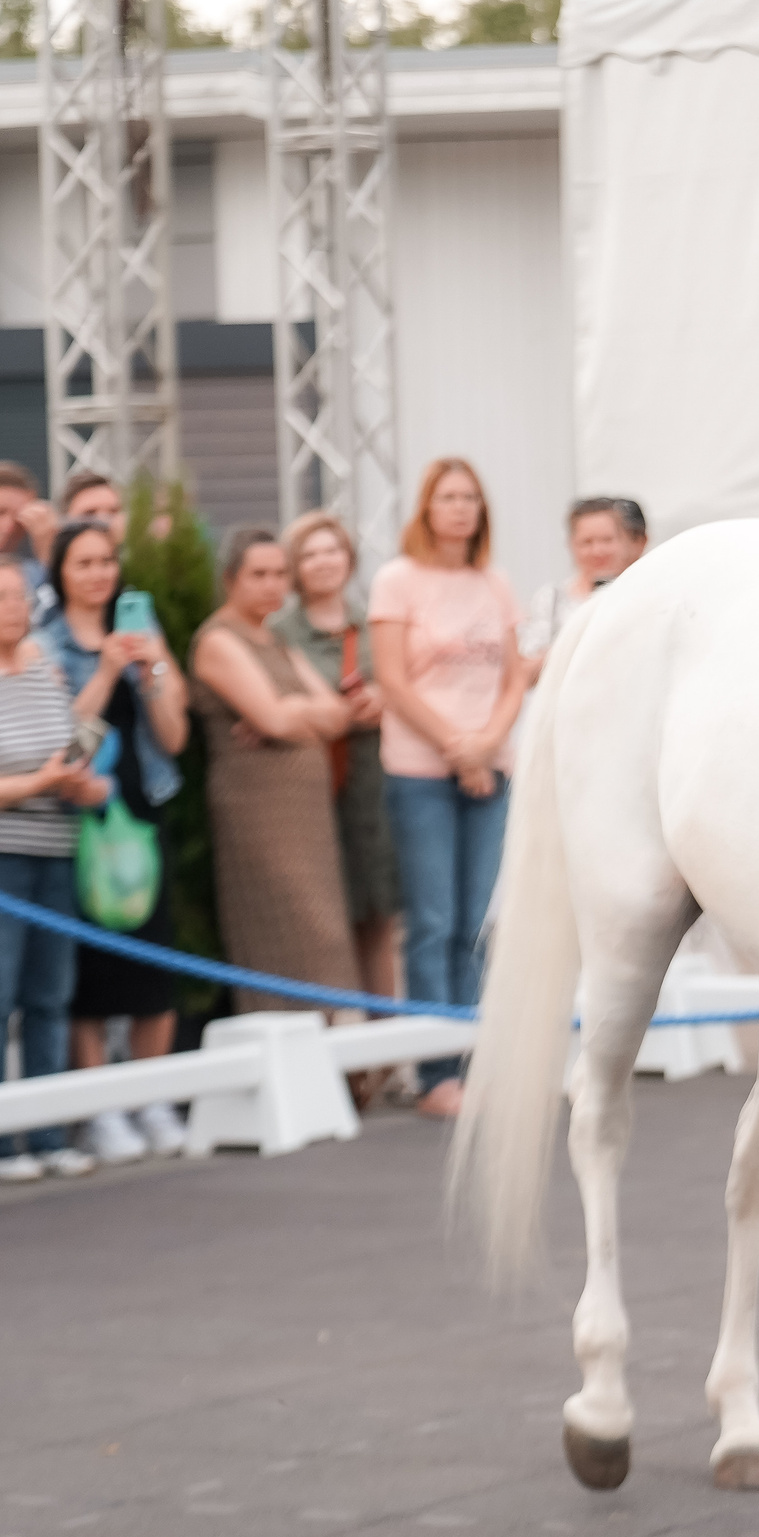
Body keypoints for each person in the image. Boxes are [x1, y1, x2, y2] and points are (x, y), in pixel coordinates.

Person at [371, 458, 527, 1119]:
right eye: (447, 497)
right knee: (432, 921)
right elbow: (393, 680)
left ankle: (471, 1057)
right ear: (426, 508)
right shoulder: (397, 580)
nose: (459, 508)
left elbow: (516, 676)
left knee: (474, 923)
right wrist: (456, 745)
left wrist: (485, 743)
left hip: (491, 768)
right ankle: (434, 1070)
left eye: (470, 498)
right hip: (420, 770)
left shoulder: (494, 582)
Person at [43, 518, 191, 1163]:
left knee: (154, 962)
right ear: (61, 573)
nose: (100, 574)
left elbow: (175, 738)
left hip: (142, 809)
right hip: (80, 821)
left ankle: (151, 1099)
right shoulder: (49, 644)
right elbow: (64, 743)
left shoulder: (142, 634)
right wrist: (103, 673)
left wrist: (152, 667)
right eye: (84, 563)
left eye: (107, 562)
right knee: (93, 976)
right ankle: (99, 1108)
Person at [192, 526, 364, 1016]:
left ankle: (344, 1062)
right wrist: (291, 712)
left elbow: (336, 715)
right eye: (258, 574)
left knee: (328, 929)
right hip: (257, 813)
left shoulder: (275, 639)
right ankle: (290, 1056)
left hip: (308, 816)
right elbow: (273, 718)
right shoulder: (218, 640)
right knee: (284, 926)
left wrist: (292, 713)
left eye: (279, 574)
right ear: (230, 580)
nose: (272, 585)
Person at [0, 565, 113, 1181]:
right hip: (5, 862)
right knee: (1, 998)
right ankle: (2, 1142)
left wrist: (81, 786)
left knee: (49, 997)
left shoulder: (46, 677)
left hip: (56, 853)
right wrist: (41, 781)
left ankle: (46, 1135)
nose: (13, 608)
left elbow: (69, 746)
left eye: (19, 595)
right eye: (1, 598)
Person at [273, 511, 403, 1011]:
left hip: (373, 785)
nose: (323, 562)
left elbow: (403, 683)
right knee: (326, 919)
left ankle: (384, 1048)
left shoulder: (374, 621)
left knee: (378, 914)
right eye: (309, 553)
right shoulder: (277, 630)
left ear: (348, 559)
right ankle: (341, 1049)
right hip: (309, 787)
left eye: (332, 550)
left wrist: (383, 697)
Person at [522, 495, 649, 679]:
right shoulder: (552, 598)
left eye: (607, 540)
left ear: (626, 541)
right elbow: (526, 671)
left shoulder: (643, 595)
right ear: (571, 545)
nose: (597, 551)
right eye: (587, 542)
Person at [0, 462, 53, 605]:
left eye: (19, 517)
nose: (9, 526)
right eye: (1, 512)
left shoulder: (34, 571)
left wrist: (48, 550)